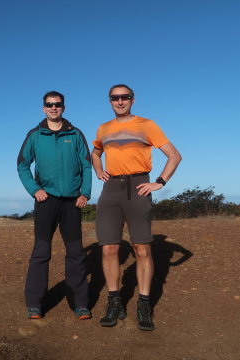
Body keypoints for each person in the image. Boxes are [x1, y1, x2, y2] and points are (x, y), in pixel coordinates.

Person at [91, 84, 182, 331]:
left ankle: (143, 304)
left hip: (139, 185)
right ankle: (114, 302)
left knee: (141, 249)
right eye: (115, 98)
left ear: (132, 100)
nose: (120, 101)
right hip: (111, 191)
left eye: (125, 97)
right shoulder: (104, 128)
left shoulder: (147, 125)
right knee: (109, 248)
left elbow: (174, 155)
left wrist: (159, 182)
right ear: (110, 101)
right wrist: (99, 170)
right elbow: (95, 153)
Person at [17, 91, 92, 320]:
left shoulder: (75, 134)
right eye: (49, 104)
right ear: (43, 108)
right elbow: (22, 165)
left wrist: (85, 193)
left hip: (72, 202)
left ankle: (80, 304)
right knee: (41, 252)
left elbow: (87, 166)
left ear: (63, 107)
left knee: (76, 254)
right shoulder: (35, 134)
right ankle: (35, 305)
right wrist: (35, 190)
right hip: (46, 201)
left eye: (57, 104)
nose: (53, 108)